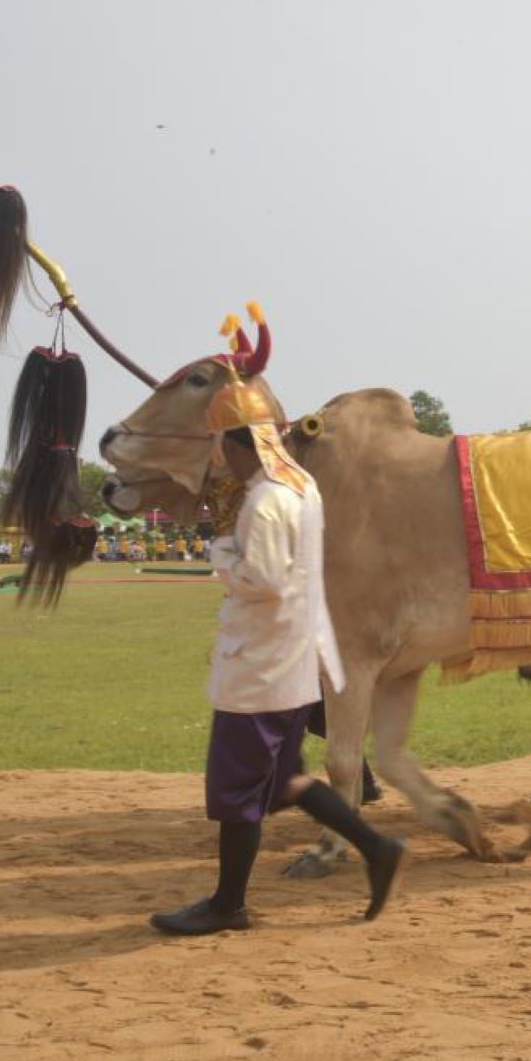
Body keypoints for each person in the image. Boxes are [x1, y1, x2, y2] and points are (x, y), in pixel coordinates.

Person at [150, 364, 406, 935]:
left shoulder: (266, 499)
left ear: (229, 442)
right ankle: (376, 846)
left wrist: (220, 554)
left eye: (217, 440)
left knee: (239, 791)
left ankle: (227, 905)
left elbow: (261, 580)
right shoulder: (301, 486)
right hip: (292, 660)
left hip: (258, 666)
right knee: (285, 781)